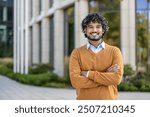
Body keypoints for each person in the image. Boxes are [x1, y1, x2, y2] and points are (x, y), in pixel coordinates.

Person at [69, 13, 124, 100]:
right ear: (85, 31)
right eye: (90, 27)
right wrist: (106, 75)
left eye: (98, 27)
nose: (94, 30)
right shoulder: (77, 53)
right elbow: (75, 82)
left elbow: (116, 79)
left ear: (103, 30)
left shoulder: (115, 51)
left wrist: (88, 74)